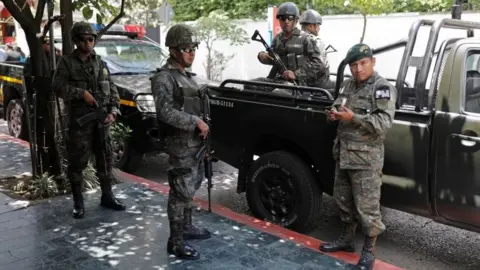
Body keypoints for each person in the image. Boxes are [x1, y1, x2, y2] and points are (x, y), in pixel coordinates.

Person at [319, 43, 397, 270]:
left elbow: (383, 123)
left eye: (362, 63)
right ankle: (346, 240)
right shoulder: (348, 84)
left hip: (366, 160)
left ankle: (369, 253)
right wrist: (332, 114)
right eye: (353, 65)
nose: (358, 69)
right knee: (343, 201)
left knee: (367, 209)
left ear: (372, 62)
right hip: (343, 154)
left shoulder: (381, 88)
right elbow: (338, 104)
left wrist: (353, 118)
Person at [52, 21, 126, 219]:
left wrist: (113, 110)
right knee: (77, 163)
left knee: (105, 159)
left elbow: (111, 88)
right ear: (76, 41)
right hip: (80, 123)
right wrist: (80, 93)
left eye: (91, 39)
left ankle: (107, 196)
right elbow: (57, 87)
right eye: (83, 39)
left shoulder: (99, 62)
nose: (87, 43)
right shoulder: (67, 62)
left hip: (100, 121)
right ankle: (78, 201)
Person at [151, 23, 211, 260]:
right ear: (174, 50)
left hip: (194, 145)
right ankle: (175, 242)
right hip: (180, 146)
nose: (192, 53)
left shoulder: (187, 77)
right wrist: (195, 121)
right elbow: (164, 112)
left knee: (190, 188)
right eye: (186, 48)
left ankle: (187, 227)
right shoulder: (163, 78)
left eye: (194, 47)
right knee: (179, 193)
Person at [250, 2, 325, 93]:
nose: (286, 21)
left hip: (299, 84)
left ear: (296, 20)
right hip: (279, 80)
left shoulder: (306, 39)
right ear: (279, 20)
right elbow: (274, 60)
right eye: (283, 18)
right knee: (250, 85)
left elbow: (319, 64)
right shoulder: (277, 39)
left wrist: (296, 74)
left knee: (278, 92)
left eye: (290, 18)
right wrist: (262, 56)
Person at [299, 9, 335, 90]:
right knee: (341, 86)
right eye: (318, 25)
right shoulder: (315, 40)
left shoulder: (296, 39)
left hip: (302, 83)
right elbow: (319, 64)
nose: (319, 28)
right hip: (318, 84)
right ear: (311, 26)